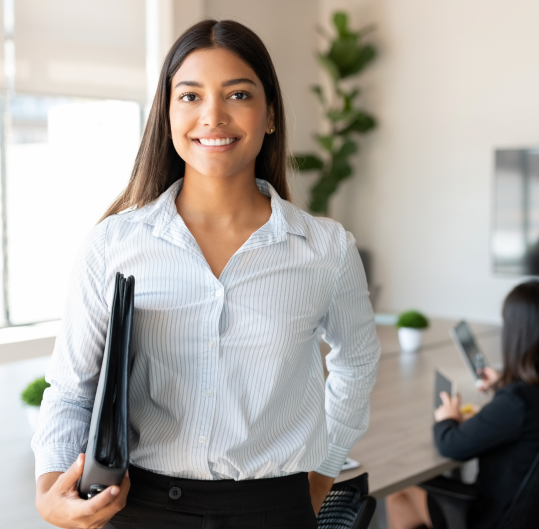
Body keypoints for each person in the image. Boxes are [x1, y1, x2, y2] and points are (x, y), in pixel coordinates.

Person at [31, 19, 380, 529]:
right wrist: (50, 491)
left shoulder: (325, 249)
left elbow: (358, 364)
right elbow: (71, 390)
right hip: (139, 509)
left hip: (275, 510)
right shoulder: (113, 244)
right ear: (168, 115)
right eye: (190, 96)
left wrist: (322, 474)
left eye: (238, 94)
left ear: (270, 116)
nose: (212, 116)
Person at [385, 280, 539, 529]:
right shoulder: (522, 396)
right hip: (527, 513)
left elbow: (451, 445)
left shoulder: (515, 403)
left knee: (400, 493)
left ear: (517, 333)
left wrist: (447, 418)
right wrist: (502, 384)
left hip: (496, 517)